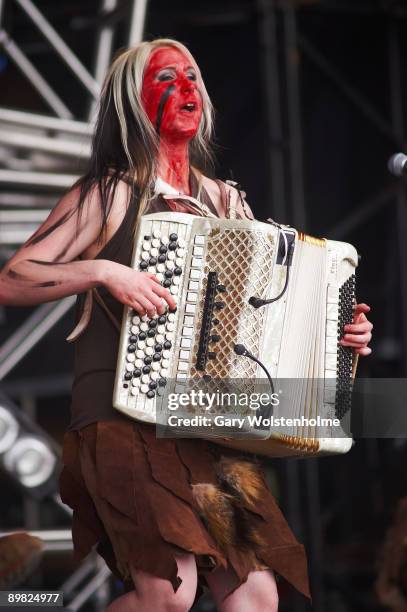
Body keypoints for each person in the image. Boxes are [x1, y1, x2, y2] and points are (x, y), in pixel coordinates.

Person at [0, 38, 373, 612]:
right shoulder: (110, 193)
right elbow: (12, 278)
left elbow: (271, 320)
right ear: (134, 102)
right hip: (122, 419)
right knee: (167, 594)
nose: (186, 87)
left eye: (192, 76)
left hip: (203, 421)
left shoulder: (226, 202)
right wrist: (103, 270)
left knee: (256, 598)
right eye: (166, 79)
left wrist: (340, 339)